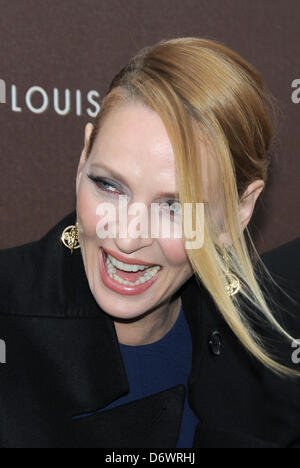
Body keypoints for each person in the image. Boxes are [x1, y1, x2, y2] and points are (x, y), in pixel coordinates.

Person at [1, 37, 300, 448]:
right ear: (82, 158)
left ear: (238, 212)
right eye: (108, 185)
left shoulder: (271, 368)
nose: (126, 236)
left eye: (173, 207)